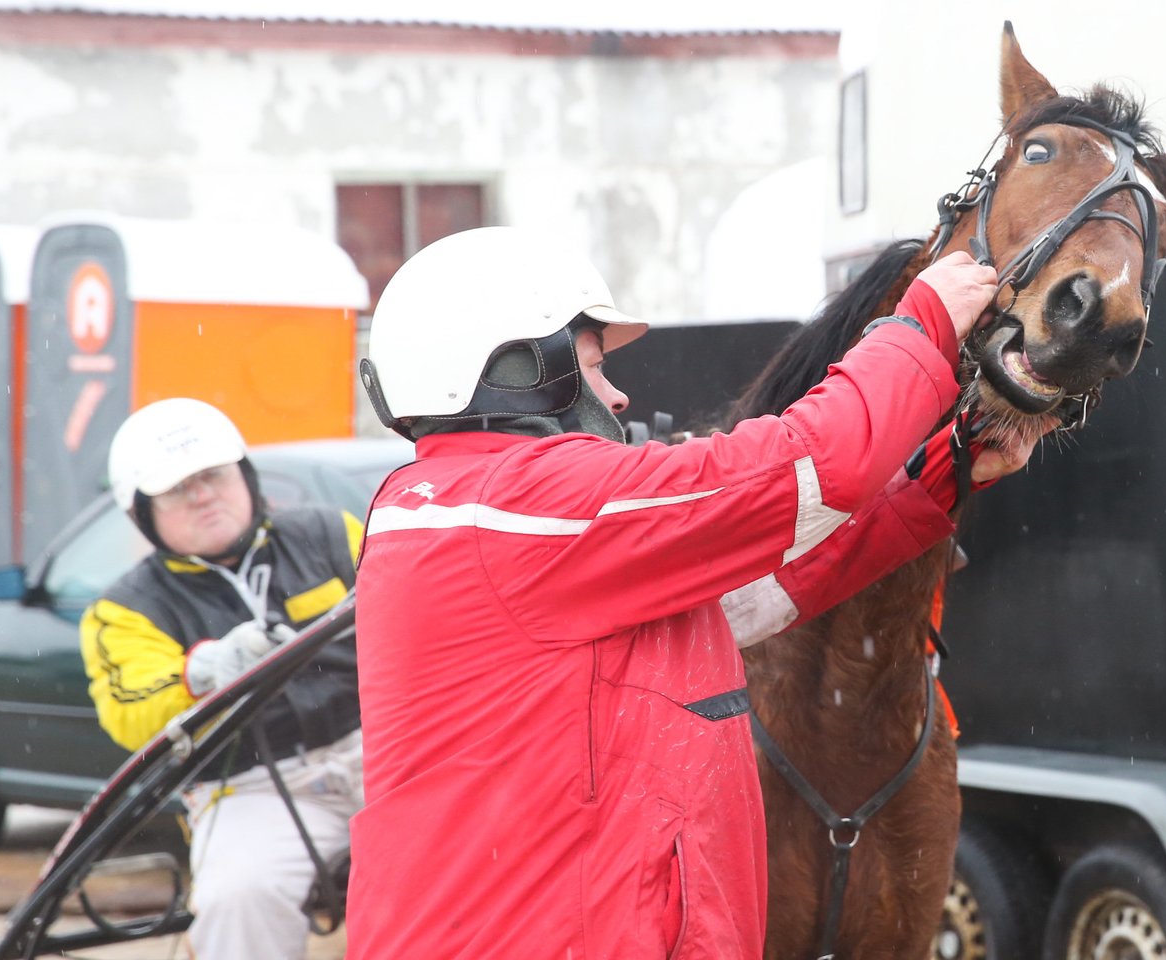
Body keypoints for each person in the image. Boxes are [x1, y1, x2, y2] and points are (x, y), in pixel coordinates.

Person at [346, 226, 1042, 959]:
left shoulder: (467, 512)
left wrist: (941, 474)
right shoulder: (521, 505)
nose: (618, 395)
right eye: (593, 368)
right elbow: (816, 462)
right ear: (515, 370)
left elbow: (756, 595)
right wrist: (920, 322)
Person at [80, 397, 364, 960]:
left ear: (245, 475)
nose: (203, 494)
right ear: (142, 513)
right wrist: (202, 670)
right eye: (178, 488)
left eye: (213, 475)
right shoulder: (125, 609)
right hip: (247, 789)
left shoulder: (331, 533)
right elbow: (127, 713)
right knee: (240, 896)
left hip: (378, 751)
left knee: (478, 842)